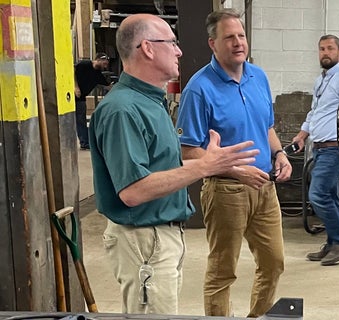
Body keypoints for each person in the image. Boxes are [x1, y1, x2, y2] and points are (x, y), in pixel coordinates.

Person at [89, 14, 258, 315]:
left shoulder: (150, 101)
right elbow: (133, 191)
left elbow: (161, 161)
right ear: (148, 49)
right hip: (144, 239)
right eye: (171, 43)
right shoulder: (122, 110)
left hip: (159, 237)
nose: (179, 51)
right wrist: (206, 167)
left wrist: (215, 161)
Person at [174, 9, 291, 318]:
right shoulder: (198, 90)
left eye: (241, 35)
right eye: (229, 37)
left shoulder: (258, 77)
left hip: (265, 189)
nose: (238, 42)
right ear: (213, 44)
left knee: (274, 262)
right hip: (226, 192)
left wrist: (279, 155)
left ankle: (258, 316)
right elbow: (189, 152)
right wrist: (236, 169)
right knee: (222, 271)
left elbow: (267, 128)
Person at [291, 34, 339, 266]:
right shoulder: (320, 81)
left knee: (318, 195)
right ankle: (333, 242)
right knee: (330, 196)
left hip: (334, 148)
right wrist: (302, 135)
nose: (325, 53)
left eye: (330, 48)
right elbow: (314, 112)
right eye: (321, 49)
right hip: (319, 148)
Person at [74, 52, 112, 149]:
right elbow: (72, 71)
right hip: (72, 94)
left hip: (81, 98)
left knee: (81, 119)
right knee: (76, 120)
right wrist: (75, 87)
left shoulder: (98, 75)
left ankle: (85, 143)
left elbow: (108, 86)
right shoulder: (85, 64)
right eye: (105, 63)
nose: (105, 66)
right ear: (99, 60)